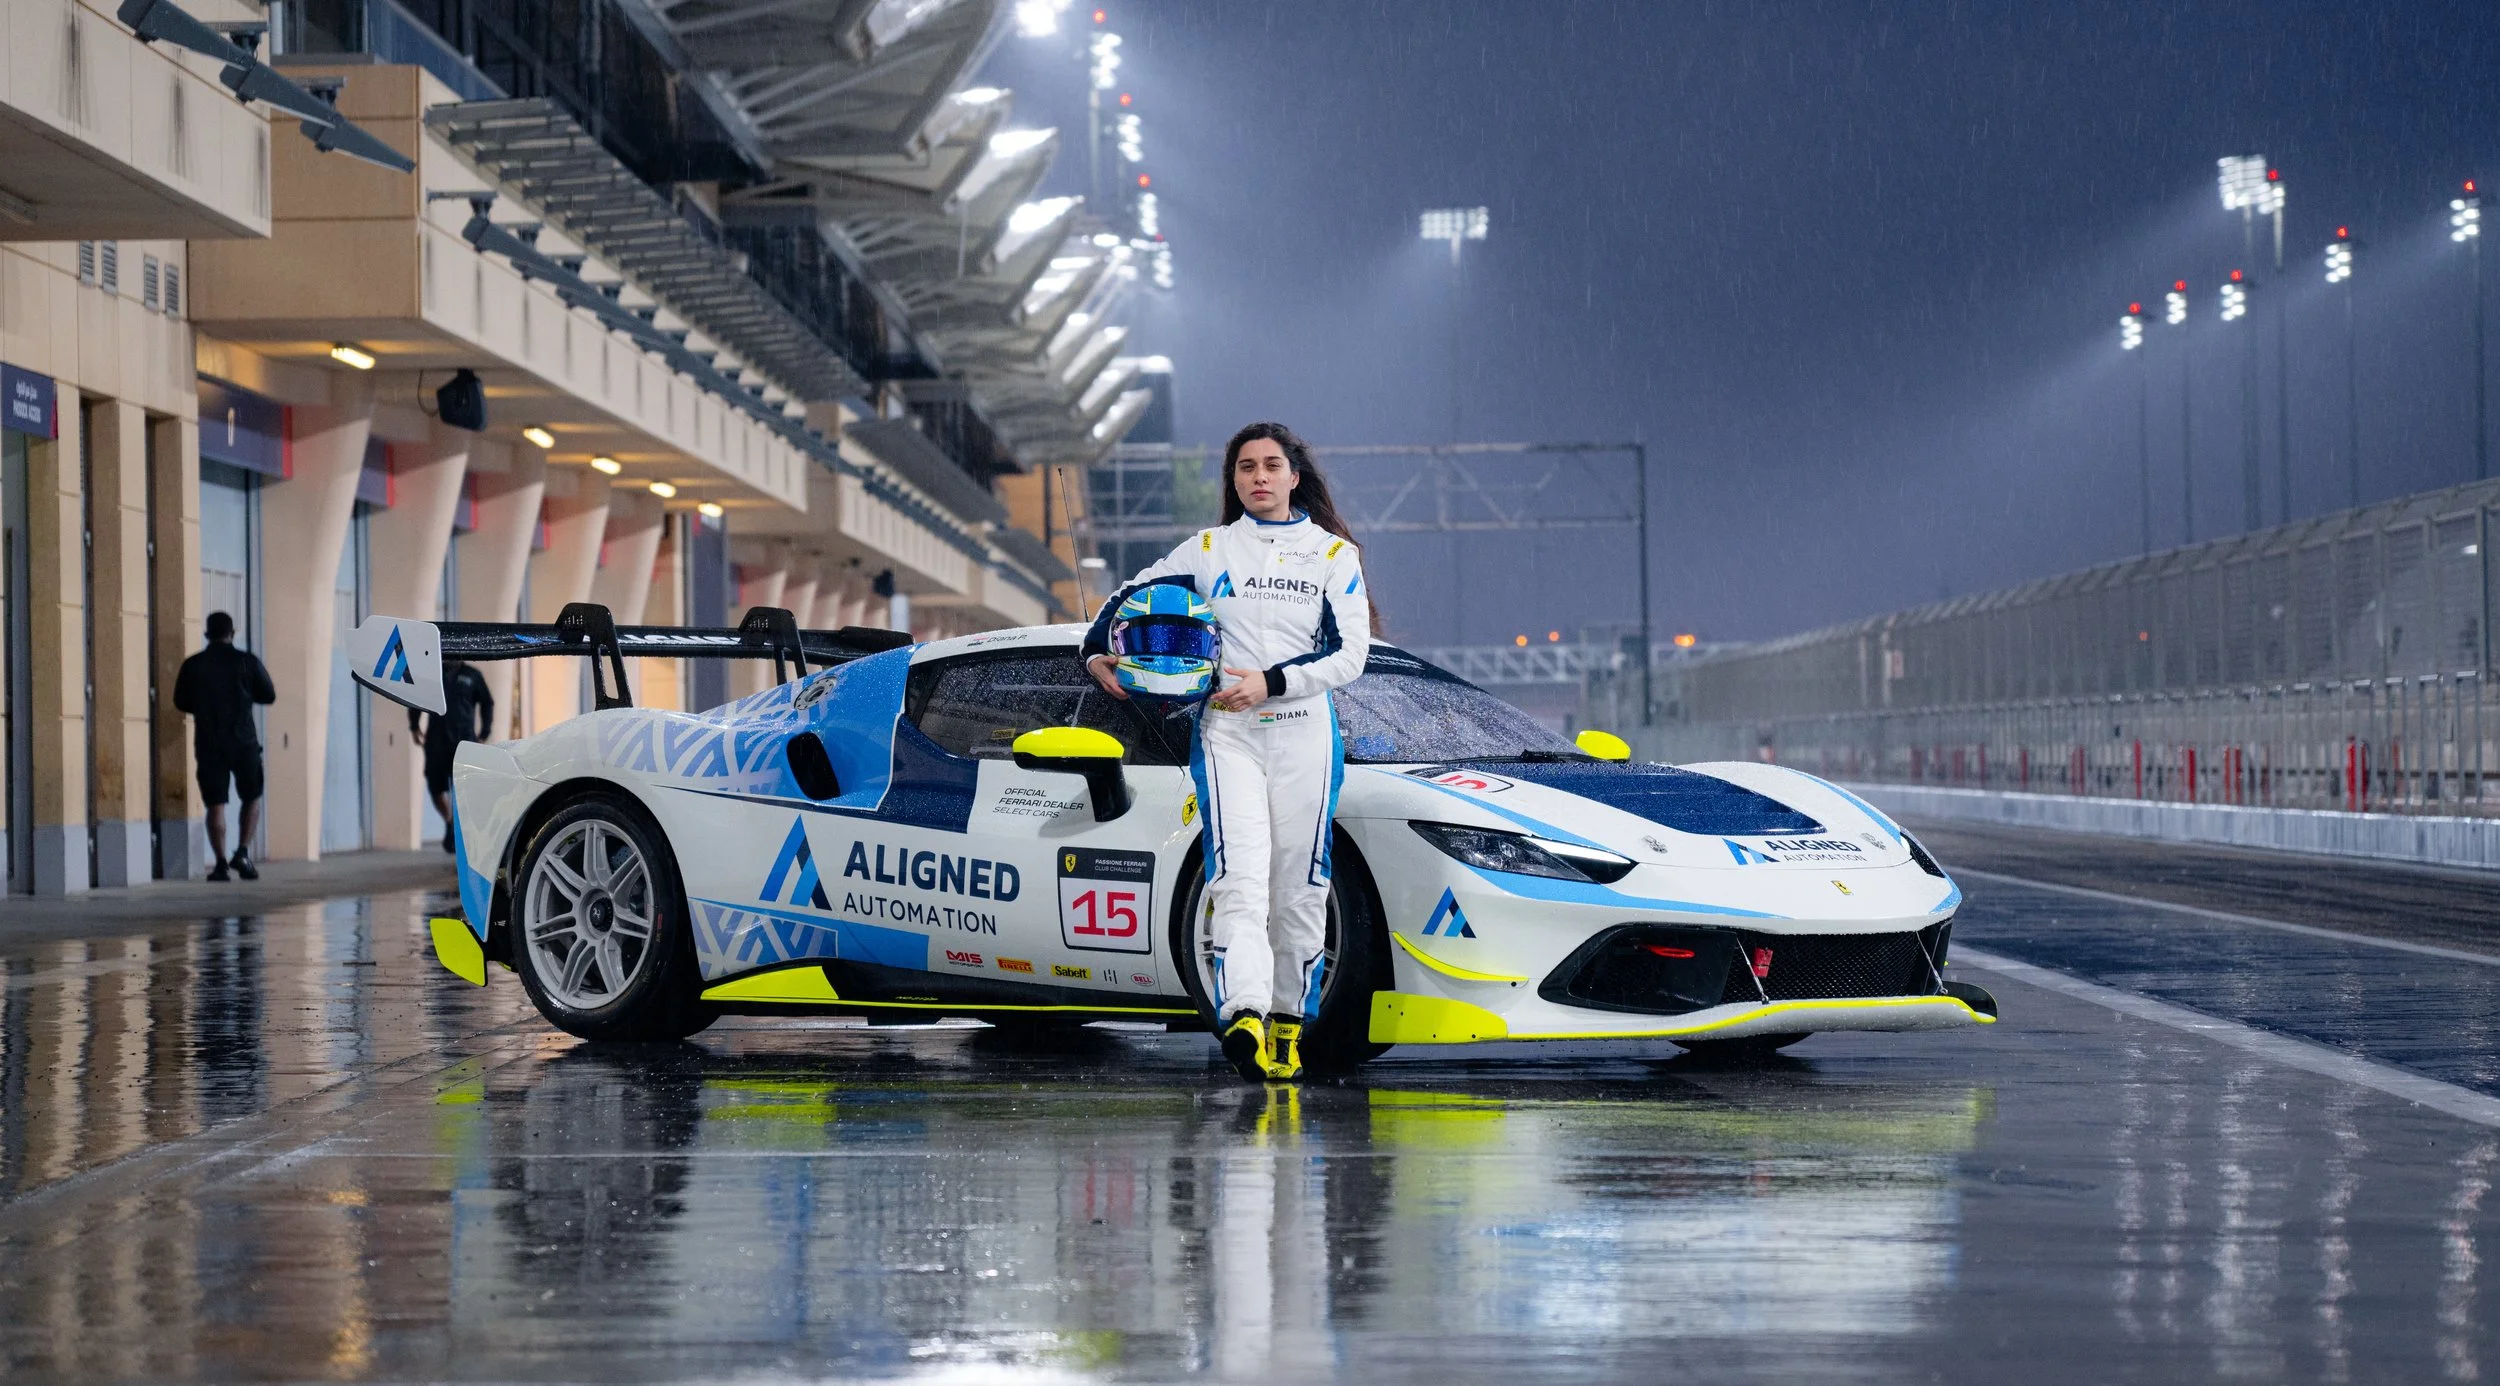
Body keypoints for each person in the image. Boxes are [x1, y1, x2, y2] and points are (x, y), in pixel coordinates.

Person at [1084, 421, 1372, 1082]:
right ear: (1234, 479)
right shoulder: (1209, 549)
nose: (1259, 477)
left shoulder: (1331, 556)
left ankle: (1289, 1023)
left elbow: (1349, 657)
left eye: (1271, 465)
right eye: (1246, 467)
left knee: (1299, 887)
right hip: (1226, 733)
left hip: (1304, 730)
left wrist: (1271, 682)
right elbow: (1122, 602)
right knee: (1237, 878)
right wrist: (1096, 655)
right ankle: (1242, 1013)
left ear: (1295, 476)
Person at [171, 611, 276, 881]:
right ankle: (242, 852)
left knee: (215, 804)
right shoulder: (246, 662)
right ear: (232, 632)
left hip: (209, 743)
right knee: (252, 796)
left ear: (207, 633)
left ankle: (219, 864)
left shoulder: (194, 665)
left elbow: (180, 702)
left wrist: (205, 707)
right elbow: (269, 694)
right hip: (244, 742)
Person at [409, 659, 494, 852]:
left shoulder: (472, 675)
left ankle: (461, 830)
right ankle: (449, 820)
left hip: (464, 741)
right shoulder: (432, 675)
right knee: (435, 786)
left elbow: (487, 702)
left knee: (464, 790)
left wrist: (485, 732)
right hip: (437, 741)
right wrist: (414, 725)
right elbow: (415, 699)